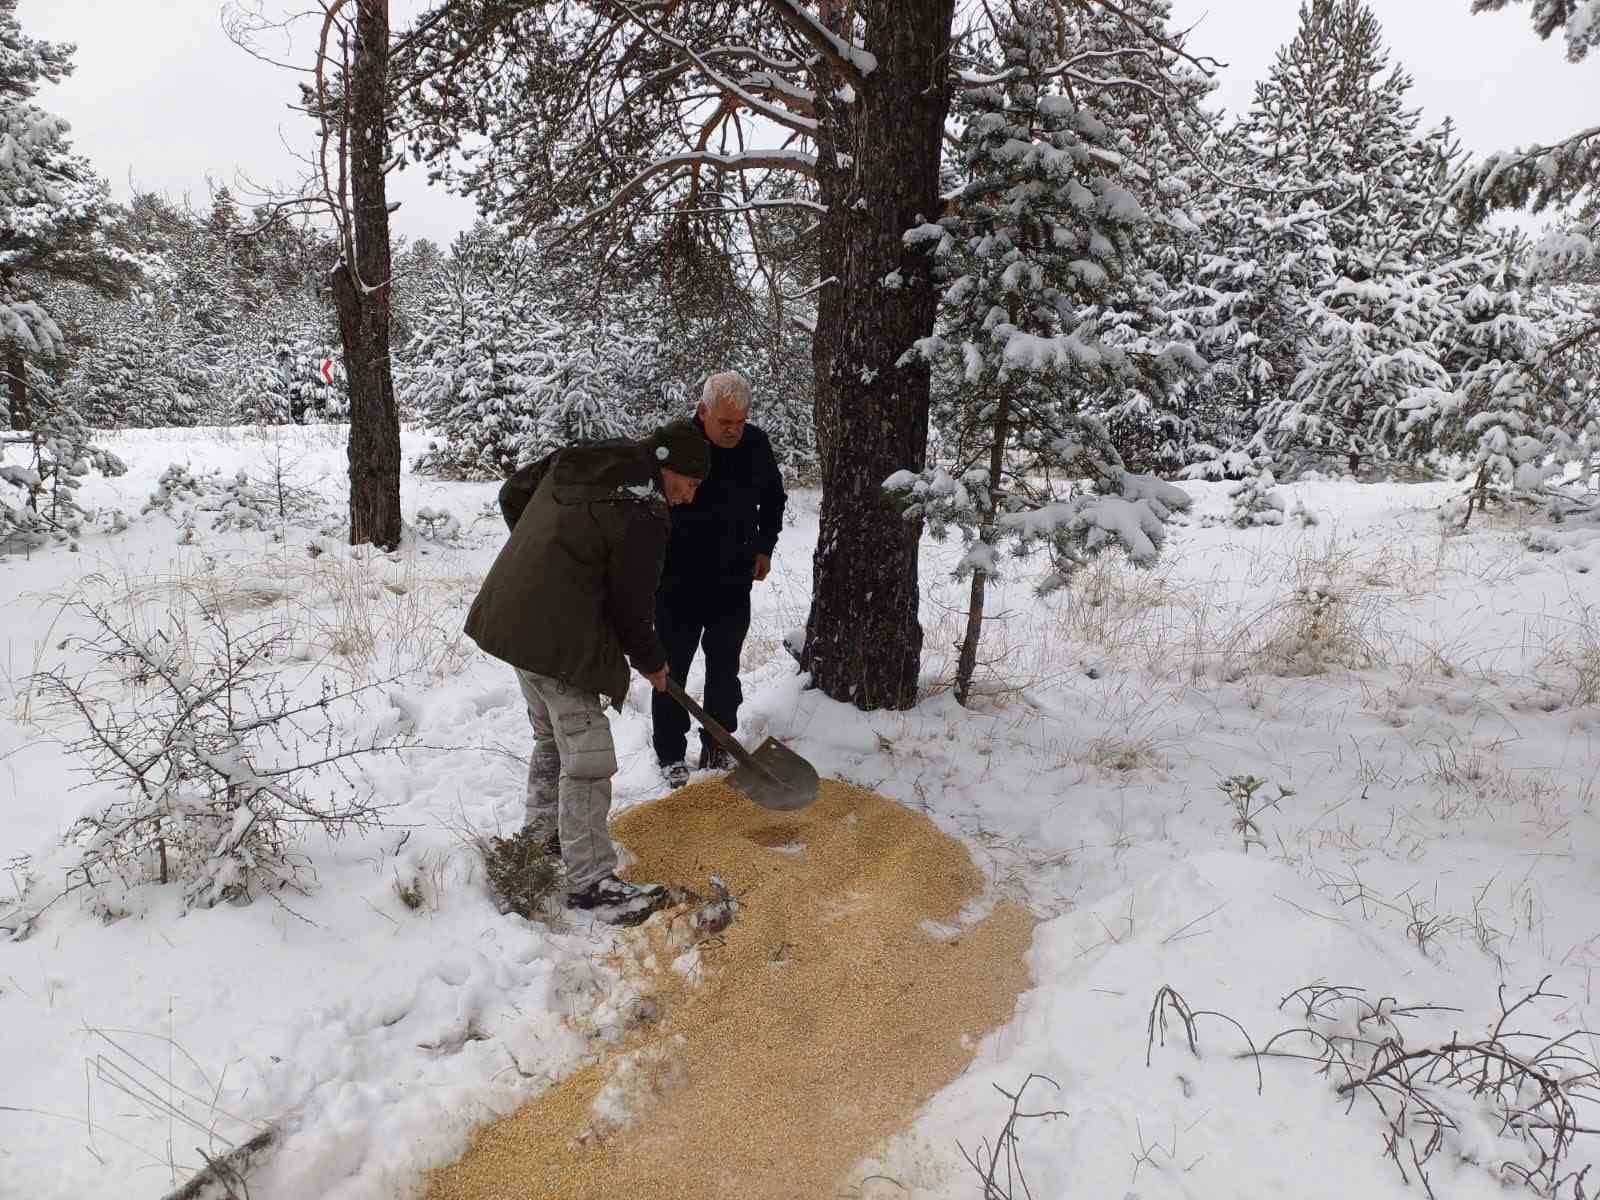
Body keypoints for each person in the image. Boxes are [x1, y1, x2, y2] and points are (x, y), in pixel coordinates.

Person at [465, 420, 711, 925]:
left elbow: (514, 493)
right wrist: (654, 662)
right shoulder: (642, 510)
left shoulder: (589, 459)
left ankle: (543, 840)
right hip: (557, 635)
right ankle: (591, 881)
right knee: (589, 755)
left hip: (513, 617)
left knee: (552, 739)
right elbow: (630, 607)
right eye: (690, 484)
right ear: (670, 469)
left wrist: (548, 559)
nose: (689, 498)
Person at [652, 371, 789, 787]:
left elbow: (775, 498)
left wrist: (765, 547)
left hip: (732, 579)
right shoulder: (678, 445)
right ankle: (671, 754)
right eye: (724, 422)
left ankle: (718, 744)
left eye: (740, 422)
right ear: (702, 411)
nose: (733, 430)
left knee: (724, 668)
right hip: (676, 581)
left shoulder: (755, 445)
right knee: (671, 670)